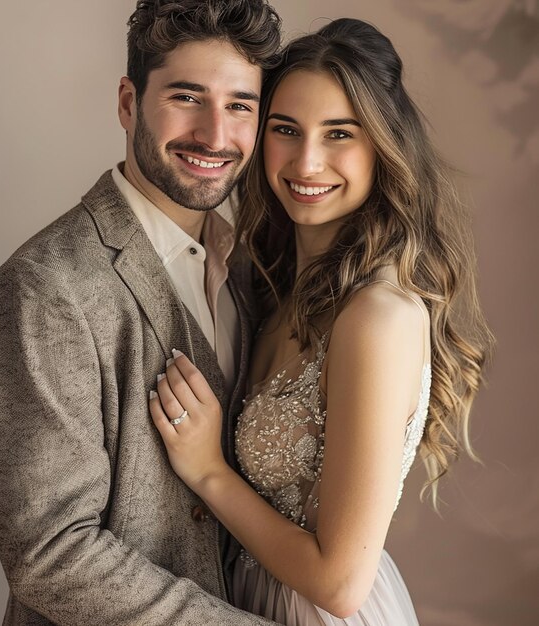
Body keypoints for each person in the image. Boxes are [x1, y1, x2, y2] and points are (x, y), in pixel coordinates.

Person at [149, 18, 493, 625]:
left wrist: (208, 471)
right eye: (285, 129)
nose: (307, 162)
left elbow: (340, 584)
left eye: (340, 134)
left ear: (383, 146)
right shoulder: (275, 290)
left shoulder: (375, 318)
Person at [0, 1, 283, 624]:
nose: (216, 136)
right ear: (128, 103)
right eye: (187, 97)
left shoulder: (254, 268)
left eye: (240, 105)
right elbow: (51, 554)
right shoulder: (42, 291)